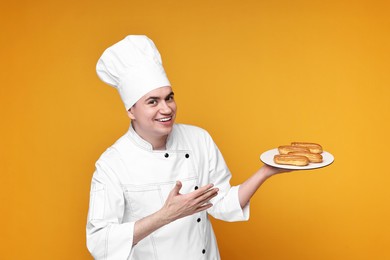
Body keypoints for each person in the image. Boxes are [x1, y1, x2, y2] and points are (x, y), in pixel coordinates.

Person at [86, 35, 288, 260]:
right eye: (153, 101)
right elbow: (99, 242)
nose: (166, 109)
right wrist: (165, 215)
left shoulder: (198, 139)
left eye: (169, 98)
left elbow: (221, 202)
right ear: (131, 111)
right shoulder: (113, 163)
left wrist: (266, 171)